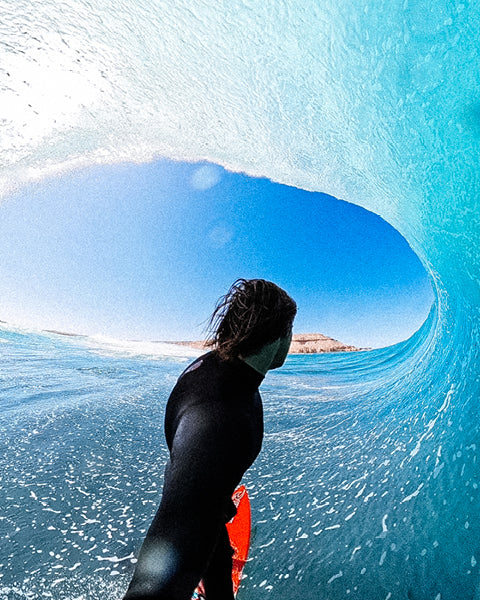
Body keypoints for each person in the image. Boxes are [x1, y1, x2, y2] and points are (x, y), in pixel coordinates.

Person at [122, 278, 297, 600]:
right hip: (197, 479)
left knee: (210, 528)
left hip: (193, 475)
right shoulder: (220, 419)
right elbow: (170, 539)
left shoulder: (213, 365)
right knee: (185, 541)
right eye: (291, 329)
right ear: (279, 333)